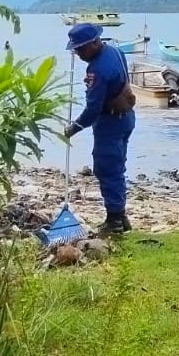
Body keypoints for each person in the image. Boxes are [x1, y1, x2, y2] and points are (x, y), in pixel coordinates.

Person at [63, 22, 137, 235]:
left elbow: (93, 108)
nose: (77, 53)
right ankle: (121, 216)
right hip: (126, 117)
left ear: (94, 43)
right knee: (117, 167)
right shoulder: (115, 51)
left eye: (80, 48)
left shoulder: (98, 70)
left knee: (106, 169)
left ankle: (114, 220)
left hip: (110, 123)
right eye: (75, 49)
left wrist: (73, 128)